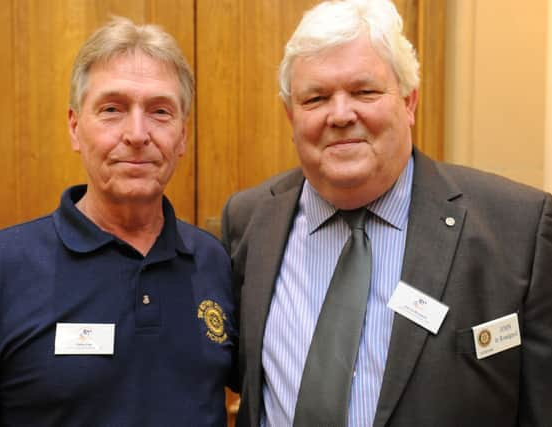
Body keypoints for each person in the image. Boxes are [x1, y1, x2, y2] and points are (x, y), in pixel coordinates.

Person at [221, 1, 552, 426]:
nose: (341, 115)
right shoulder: (249, 222)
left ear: (410, 102)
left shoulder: (519, 230)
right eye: (316, 97)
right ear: (291, 115)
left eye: (365, 92)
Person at [0, 17, 237, 427]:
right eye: (112, 109)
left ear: (183, 136)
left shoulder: (214, 261)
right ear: (74, 127)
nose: (137, 134)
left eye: (159, 111)